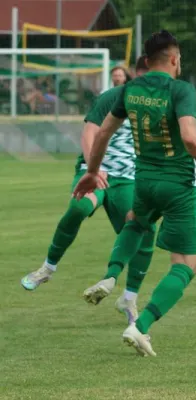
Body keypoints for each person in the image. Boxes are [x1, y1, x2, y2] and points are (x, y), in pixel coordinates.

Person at [73, 30, 196, 356]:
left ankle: (111, 277)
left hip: (144, 182)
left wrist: (92, 172)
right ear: (175, 60)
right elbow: (189, 138)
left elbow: (103, 132)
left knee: (136, 223)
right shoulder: (181, 90)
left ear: (146, 62)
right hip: (178, 187)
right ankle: (140, 325)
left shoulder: (131, 89)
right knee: (186, 264)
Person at [20, 56, 155, 324]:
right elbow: (88, 134)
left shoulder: (157, 106)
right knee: (79, 207)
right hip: (95, 170)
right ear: (137, 75)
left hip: (128, 179)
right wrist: (94, 168)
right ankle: (47, 268)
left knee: (142, 232)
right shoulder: (111, 98)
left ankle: (129, 298)